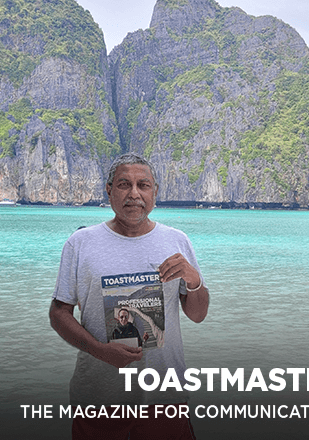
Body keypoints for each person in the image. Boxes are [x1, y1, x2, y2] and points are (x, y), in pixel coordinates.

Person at [49, 152, 209, 439]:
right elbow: (59, 312)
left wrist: (194, 280)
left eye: (143, 185)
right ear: (109, 191)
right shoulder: (81, 243)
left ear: (155, 192)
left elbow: (197, 315)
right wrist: (99, 350)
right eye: (124, 184)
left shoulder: (177, 241)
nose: (134, 194)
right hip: (99, 397)